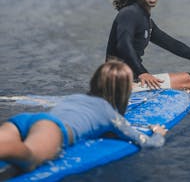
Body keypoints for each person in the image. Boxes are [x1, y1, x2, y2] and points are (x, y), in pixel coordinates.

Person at [0, 59, 167, 175]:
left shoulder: (75, 97)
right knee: (30, 158)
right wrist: (158, 133)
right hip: (52, 129)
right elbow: (147, 143)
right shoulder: (111, 115)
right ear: (123, 91)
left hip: (26, 120)